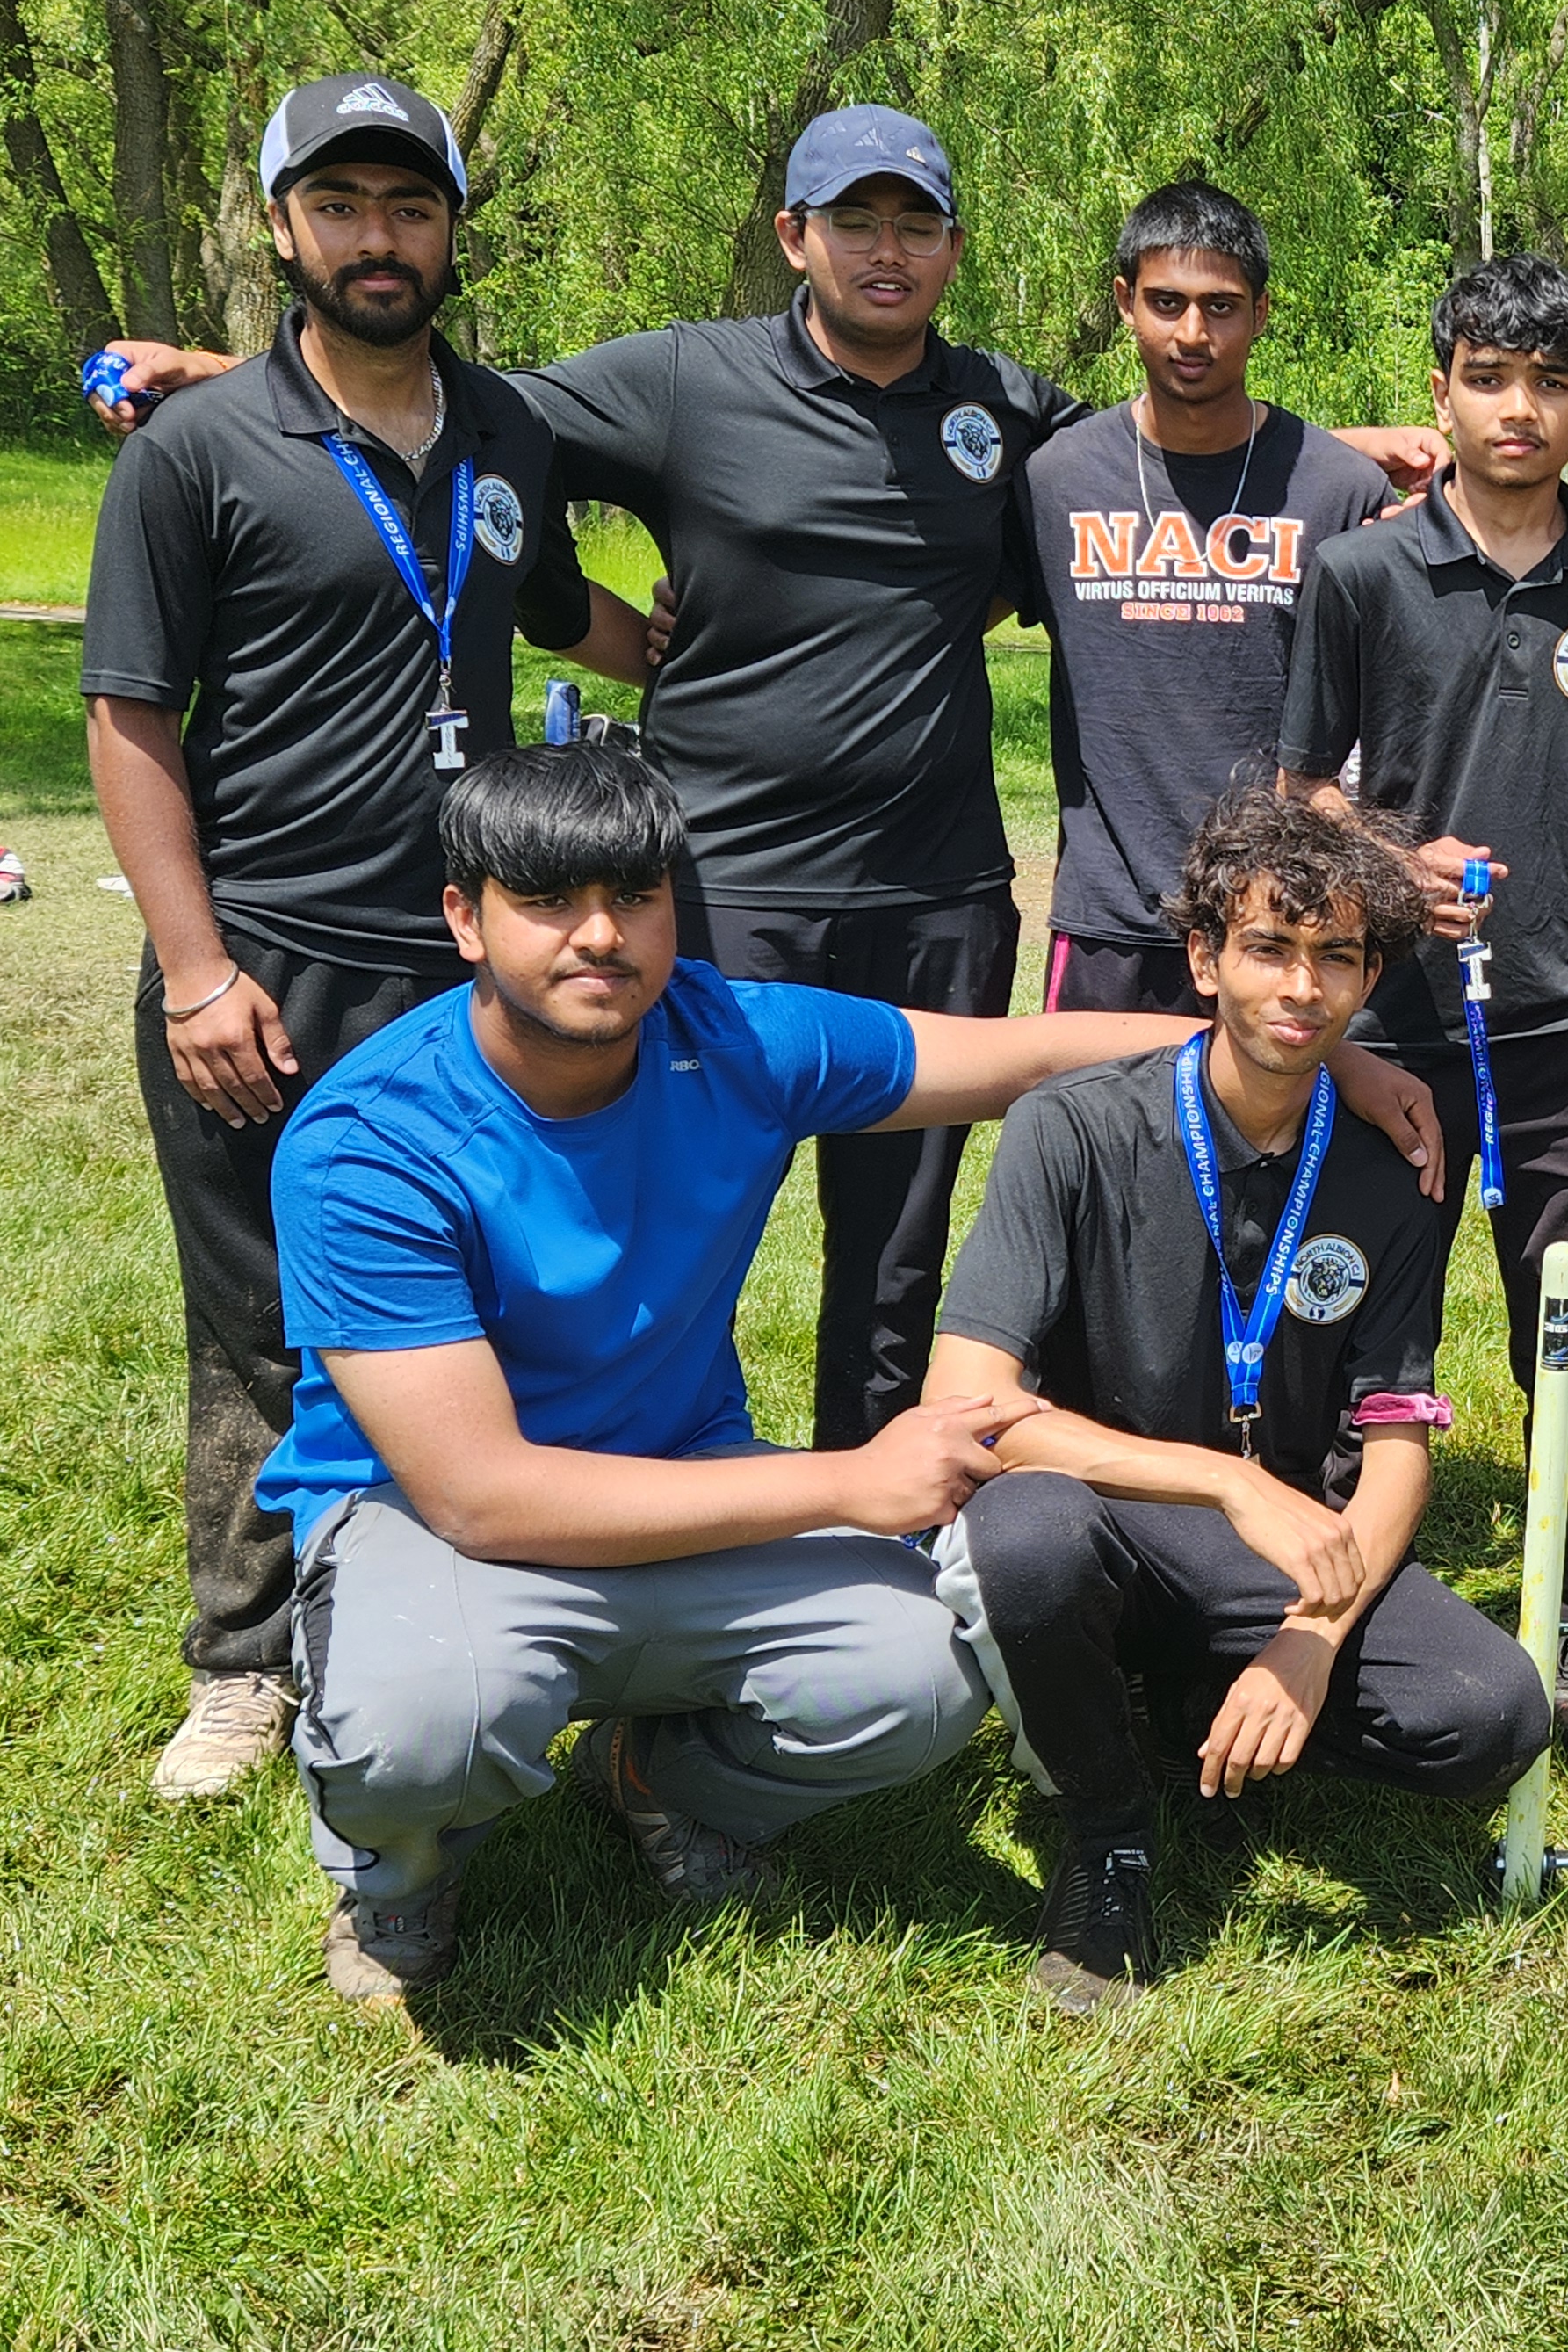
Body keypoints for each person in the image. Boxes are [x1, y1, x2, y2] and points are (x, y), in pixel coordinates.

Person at [87, 119, 1446, 1460]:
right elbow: (448, 396)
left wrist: (1333, 452)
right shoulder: (682, 378)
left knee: (897, 1261)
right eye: (853, 222)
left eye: (916, 225)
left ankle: (887, 1507)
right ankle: (638, 1487)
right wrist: (222, 374)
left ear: (953, 249)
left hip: (937, 896)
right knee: (666, 1235)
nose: (885, 251)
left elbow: (1167, 428)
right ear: (795, 237)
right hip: (719, 892)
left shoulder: (997, 408)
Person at [261, 743, 1440, 2007]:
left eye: (634, 897)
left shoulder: (728, 1036)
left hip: (680, 1476)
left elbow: (1023, 1055)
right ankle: (400, 1872)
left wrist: (1305, 1049)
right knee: (422, 1726)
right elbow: (481, 1496)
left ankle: (655, 1781)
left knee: (927, 1674)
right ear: (465, 919)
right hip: (434, 1524)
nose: (599, 936)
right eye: (547, 901)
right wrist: (847, 1485)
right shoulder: (371, 1143)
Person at [78, 72, 654, 1804]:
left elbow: (557, 606)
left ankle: (456, 1604)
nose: (377, 238)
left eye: (408, 206)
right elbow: (128, 717)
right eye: (340, 206)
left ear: (452, 229)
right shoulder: (196, 452)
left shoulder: (505, 434)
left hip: (470, 964)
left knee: (483, 1302)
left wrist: (726, 652)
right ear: (283, 229)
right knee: (263, 1314)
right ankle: (245, 1661)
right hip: (266, 962)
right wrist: (197, 972)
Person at [929, 790, 1552, 2011]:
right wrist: (1225, 1481)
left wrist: (1311, 1640)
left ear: (1371, 977)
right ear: (1205, 959)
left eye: (1337, 957)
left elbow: (1398, 1439)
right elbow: (972, 1406)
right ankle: (1108, 1834)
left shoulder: (1393, 1165)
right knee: (1026, 1534)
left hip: (1284, 1558)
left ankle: (1200, 1708)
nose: (1302, 987)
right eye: (1269, 948)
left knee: (1492, 1713)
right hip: (1111, 1517)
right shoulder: (1073, 1127)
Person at [1278, 255, 1568, 1735]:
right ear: (1442, 392)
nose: (1520, 408)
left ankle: (1565, 1593)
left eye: (1552, 383)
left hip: (1565, 1030)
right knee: (1346, 1312)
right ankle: (1317, 1580)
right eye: (1490, 377)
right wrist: (1397, 866)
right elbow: (1301, 795)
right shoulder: (1361, 576)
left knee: (1564, 1331)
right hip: (1385, 1031)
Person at [1026, 181, 1402, 1012]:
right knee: (1093, 1104)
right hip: (1109, 920)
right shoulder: (1054, 480)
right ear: (1125, 303)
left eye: (1221, 307)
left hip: (1280, 923)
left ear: (1261, 313)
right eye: (1167, 302)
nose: (1192, 333)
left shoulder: (1340, 490)